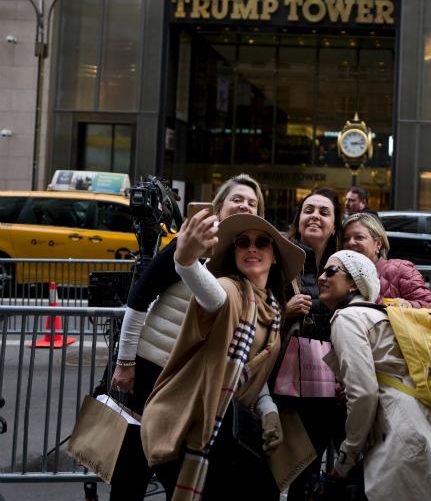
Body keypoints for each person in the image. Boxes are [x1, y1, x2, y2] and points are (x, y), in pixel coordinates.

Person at [108, 174, 264, 501]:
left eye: (252, 203)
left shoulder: (248, 258)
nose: (245, 206)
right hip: (150, 369)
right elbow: (140, 297)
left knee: (178, 471)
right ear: (219, 207)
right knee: (131, 469)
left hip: (192, 381)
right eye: (237, 199)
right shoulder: (188, 241)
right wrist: (125, 361)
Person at [140, 212, 305, 500]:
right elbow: (214, 296)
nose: (251, 248)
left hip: (221, 430)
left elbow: (249, 368)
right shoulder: (231, 290)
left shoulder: (273, 308)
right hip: (187, 425)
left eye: (261, 242)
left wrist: (268, 410)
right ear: (234, 253)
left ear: (275, 257)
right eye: (242, 242)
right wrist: (186, 262)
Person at [320, 250, 431, 500]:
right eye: (322, 271)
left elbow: (363, 393)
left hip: (408, 434)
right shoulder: (381, 313)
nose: (321, 277)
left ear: (355, 283)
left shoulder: (347, 317)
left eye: (331, 271)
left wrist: (347, 456)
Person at [278, 187, 345, 497]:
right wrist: (285, 312)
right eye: (308, 210)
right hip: (282, 387)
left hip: (324, 389)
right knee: (271, 469)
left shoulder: (344, 267)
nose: (315, 216)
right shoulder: (280, 260)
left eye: (324, 212)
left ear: (334, 226)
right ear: (299, 219)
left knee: (307, 474)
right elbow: (253, 312)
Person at [341, 211, 431, 309]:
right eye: (345, 238)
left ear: (378, 243)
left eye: (359, 237)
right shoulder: (339, 274)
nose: (350, 243)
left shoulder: (400, 270)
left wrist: (409, 305)